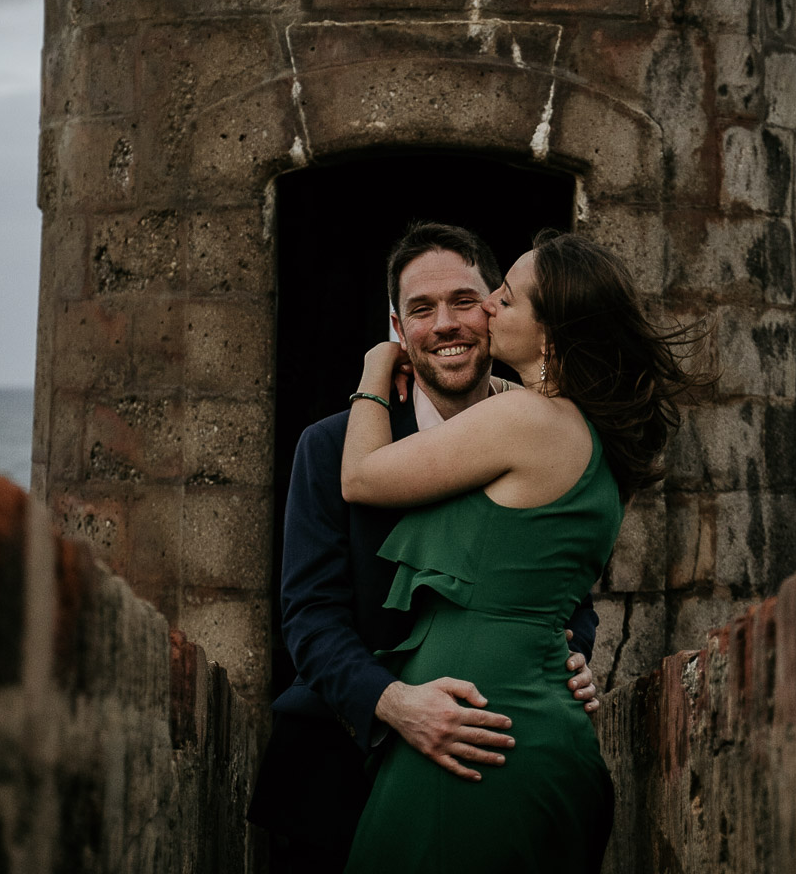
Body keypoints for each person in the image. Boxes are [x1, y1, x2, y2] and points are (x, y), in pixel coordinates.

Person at [339, 230, 699, 874]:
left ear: (549, 333)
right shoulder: (571, 426)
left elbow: (361, 476)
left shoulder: (526, 422)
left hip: (484, 741)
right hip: (509, 721)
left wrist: (373, 368)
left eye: (502, 299)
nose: (486, 311)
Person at [249, 222, 601, 873]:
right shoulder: (329, 449)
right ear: (397, 329)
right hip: (338, 780)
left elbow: (566, 590)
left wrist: (571, 651)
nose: (446, 323)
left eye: (464, 301)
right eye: (421, 308)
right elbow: (309, 616)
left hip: (498, 768)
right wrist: (396, 704)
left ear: (494, 309)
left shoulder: (547, 429)